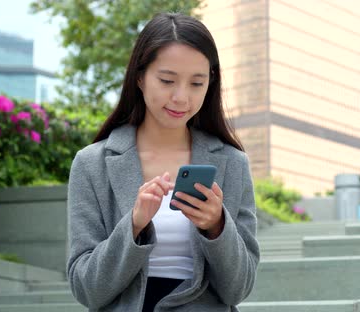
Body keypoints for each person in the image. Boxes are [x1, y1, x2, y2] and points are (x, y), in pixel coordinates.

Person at [66, 12, 260, 312]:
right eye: (167, 80)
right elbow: (86, 288)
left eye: (197, 83)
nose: (181, 97)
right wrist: (133, 225)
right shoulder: (92, 164)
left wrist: (217, 226)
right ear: (140, 77)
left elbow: (239, 289)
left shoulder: (232, 164)